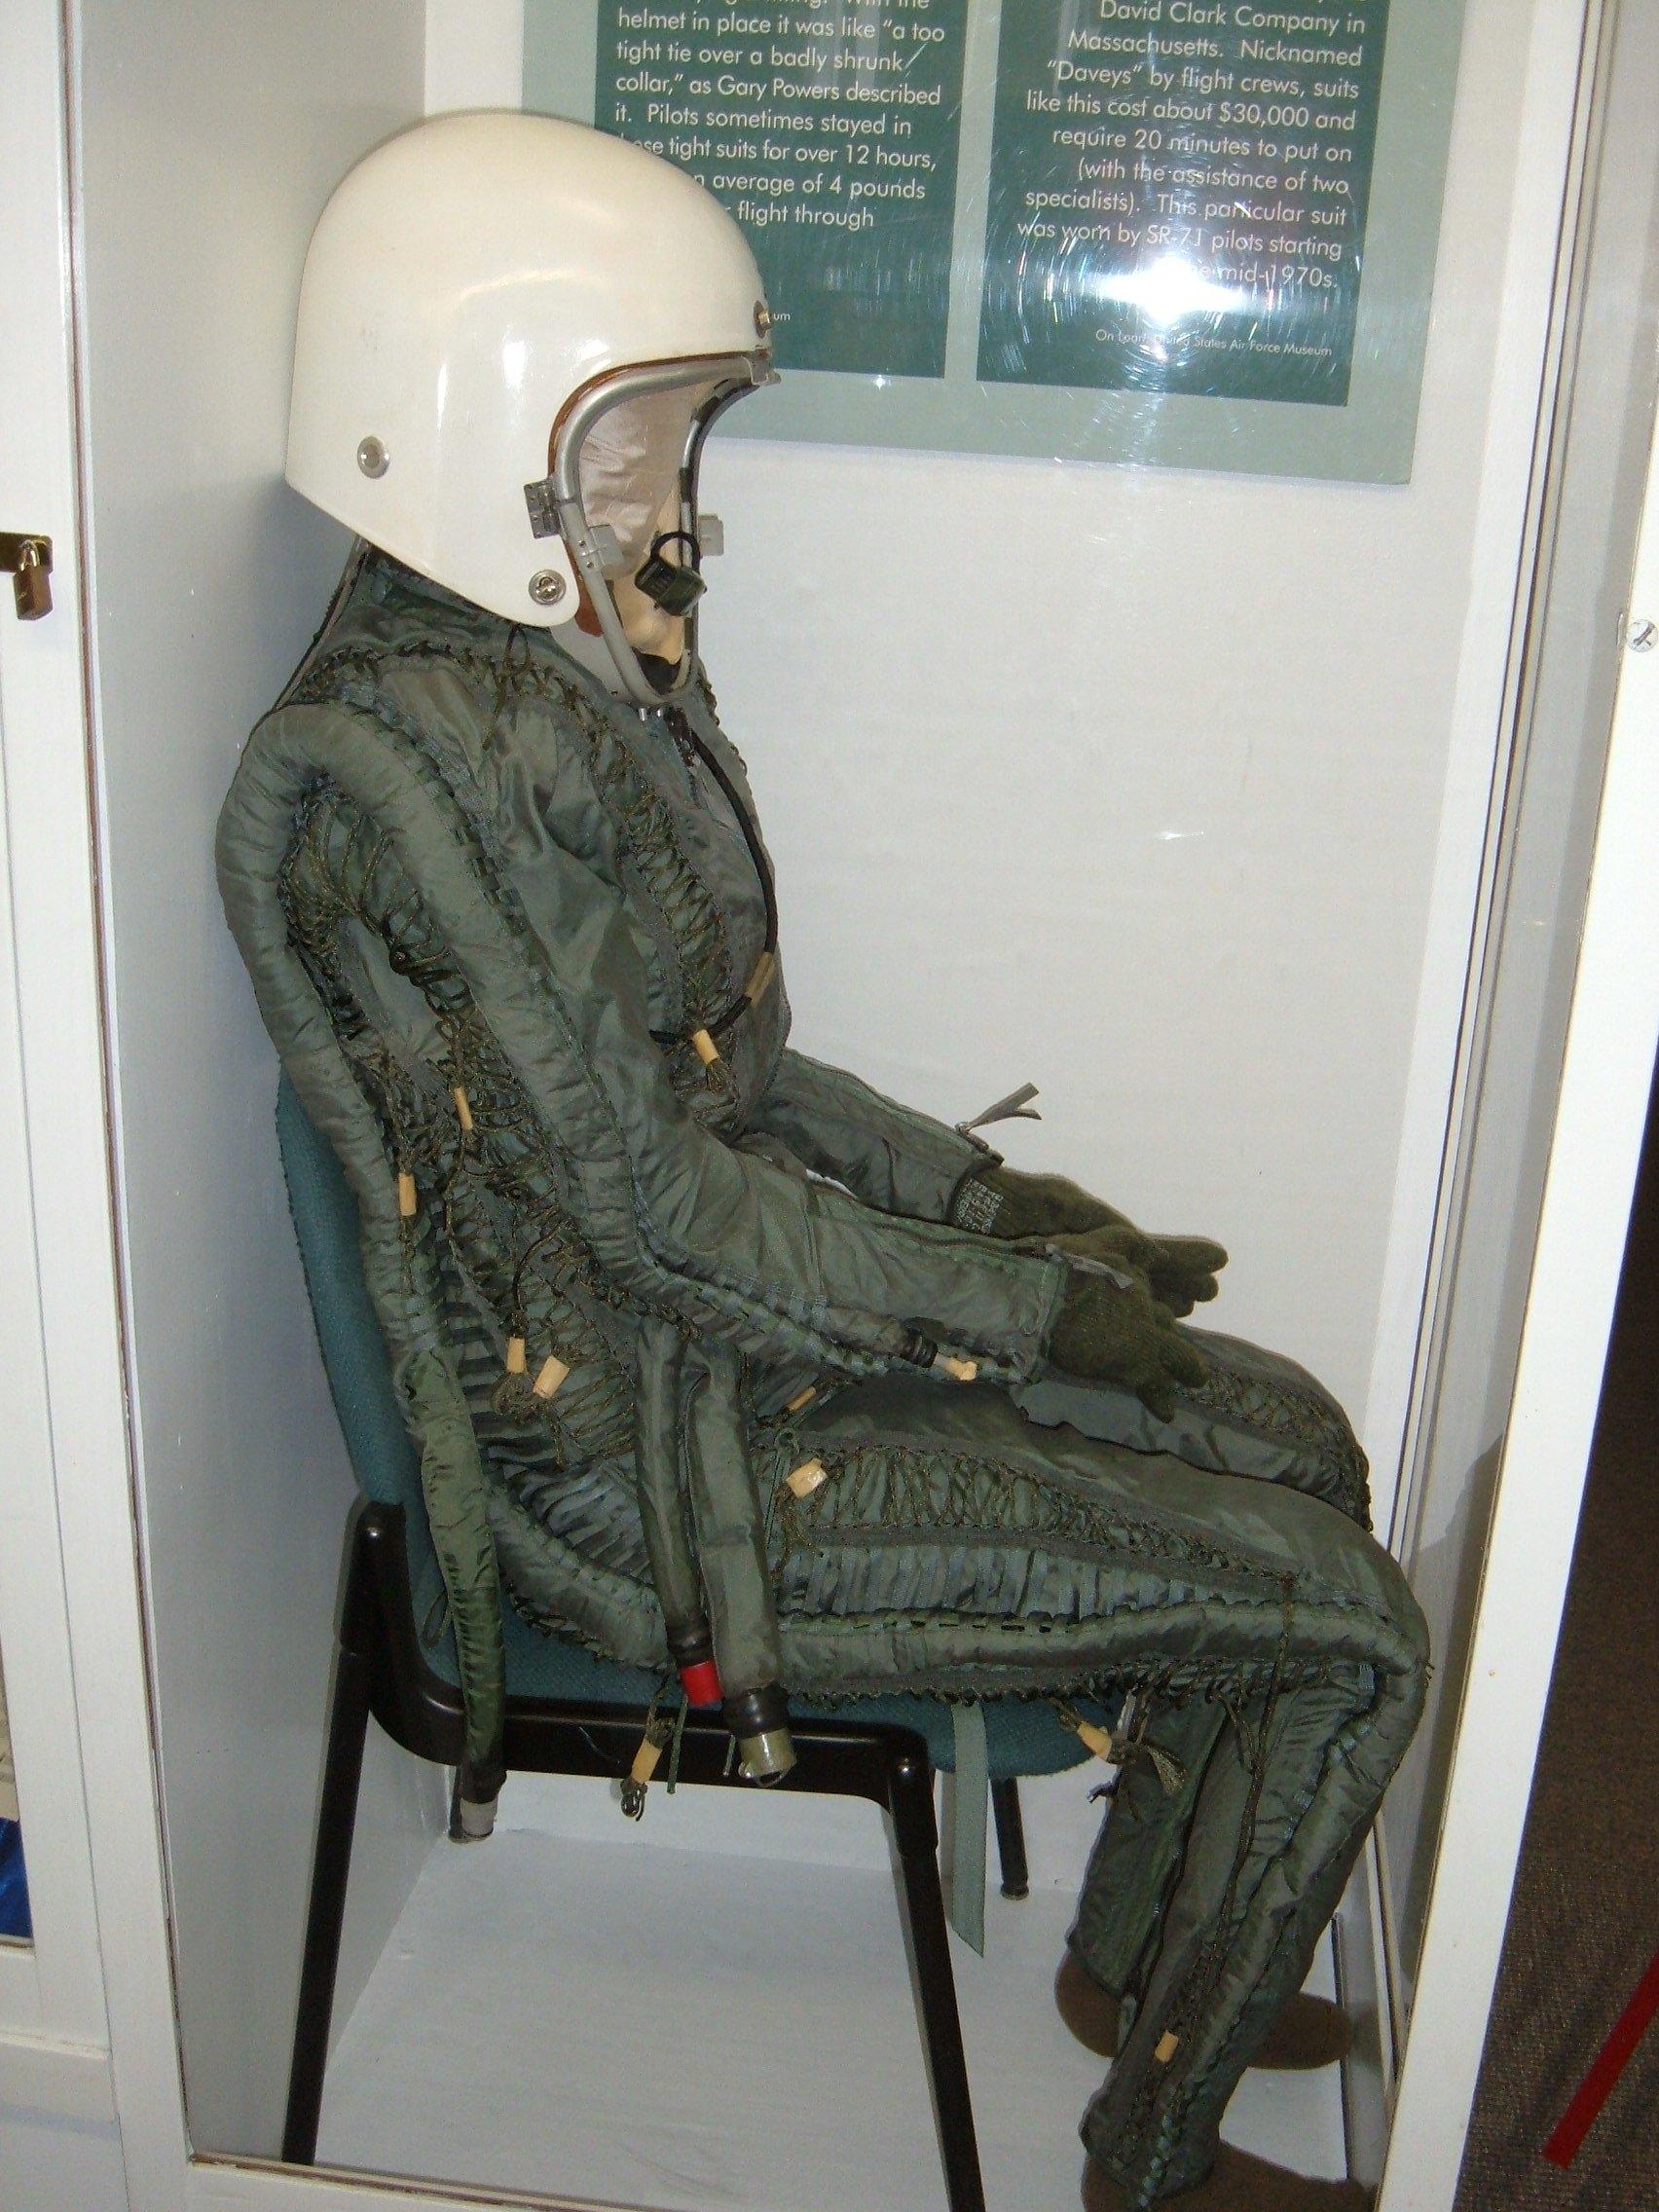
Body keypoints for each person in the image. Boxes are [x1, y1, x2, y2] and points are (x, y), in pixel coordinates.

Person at [217, 112, 1426, 2212]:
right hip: (636, 1475)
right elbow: (654, 1207)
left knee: (1299, 1443)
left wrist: (1006, 1212)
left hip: (711, 1350)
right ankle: (1159, 2160)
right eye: (629, 439)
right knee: (1356, 1623)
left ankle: (1139, 1967)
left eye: (676, 434)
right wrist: (1028, 1315)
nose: (667, 495)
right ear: (460, 423)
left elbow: (731, 1070)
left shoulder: (540, 686)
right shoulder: (418, 769)